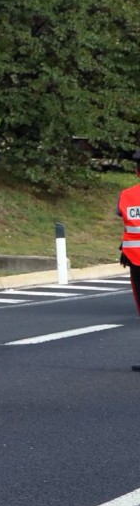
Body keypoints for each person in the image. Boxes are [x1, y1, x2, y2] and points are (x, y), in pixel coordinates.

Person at [116, 156, 140, 371]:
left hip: (136, 259)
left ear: (136, 171)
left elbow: (128, 224)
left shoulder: (126, 196)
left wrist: (123, 249)